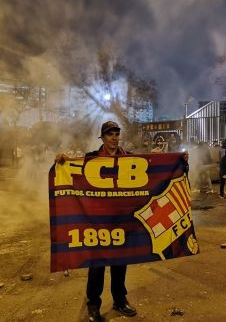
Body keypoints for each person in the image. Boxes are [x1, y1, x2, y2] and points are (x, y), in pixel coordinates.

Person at [57, 121, 137, 322]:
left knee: (120, 264)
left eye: (117, 133)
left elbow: (153, 174)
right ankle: (93, 305)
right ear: (102, 137)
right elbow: (73, 175)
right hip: (98, 223)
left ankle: (120, 300)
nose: (114, 137)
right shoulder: (91, 159)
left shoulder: (129, 159)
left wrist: (181, 160)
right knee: (97, 266)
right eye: (110, 134)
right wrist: (62, 161)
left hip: (121, 222)